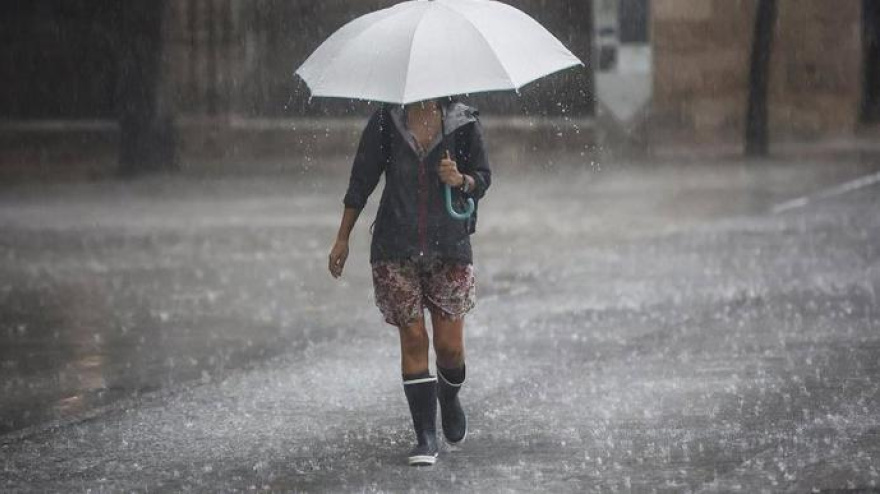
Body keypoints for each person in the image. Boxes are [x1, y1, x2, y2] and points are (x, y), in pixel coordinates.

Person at [328, 97, 491, 466]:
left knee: (449, 348)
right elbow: (361, 180)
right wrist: (343, 237)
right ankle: (425, 437)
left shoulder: (462, 122)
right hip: (395, 245)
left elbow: (483, 177)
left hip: (448, 245)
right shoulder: (388, 122)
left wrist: (461, 179)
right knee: (414, 337)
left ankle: (448, 401)